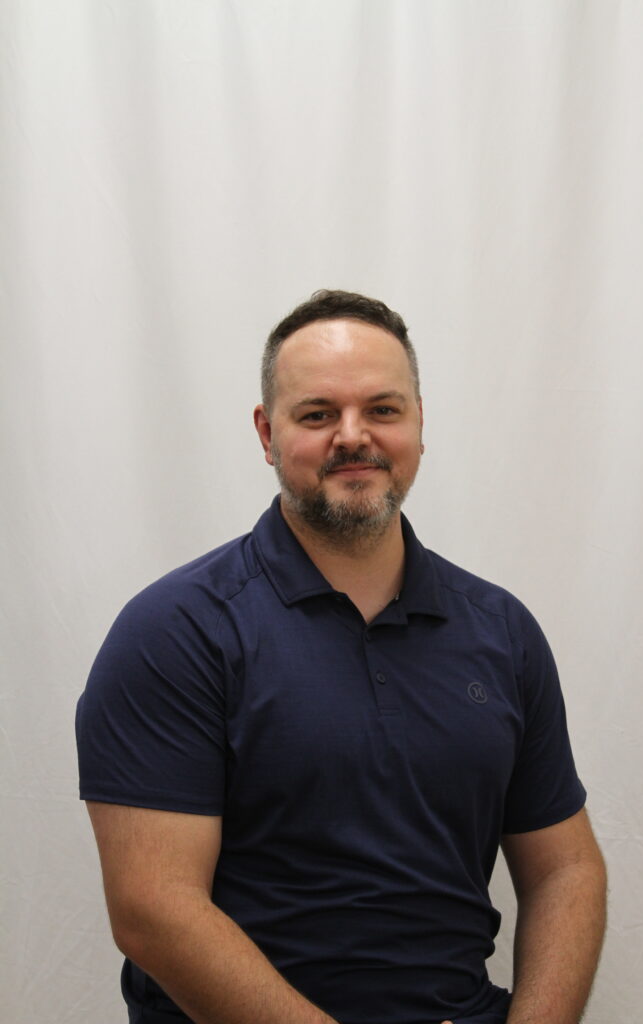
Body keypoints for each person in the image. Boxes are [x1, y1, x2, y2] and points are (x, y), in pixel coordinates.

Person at [76, 289, 607, 1024]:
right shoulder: (176, 631)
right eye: (317, 414)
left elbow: (566, 869)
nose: (353, 437)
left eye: (382, 409)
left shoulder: (502, 631)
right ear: (267, 433)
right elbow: (152, 910)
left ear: (419, 424)